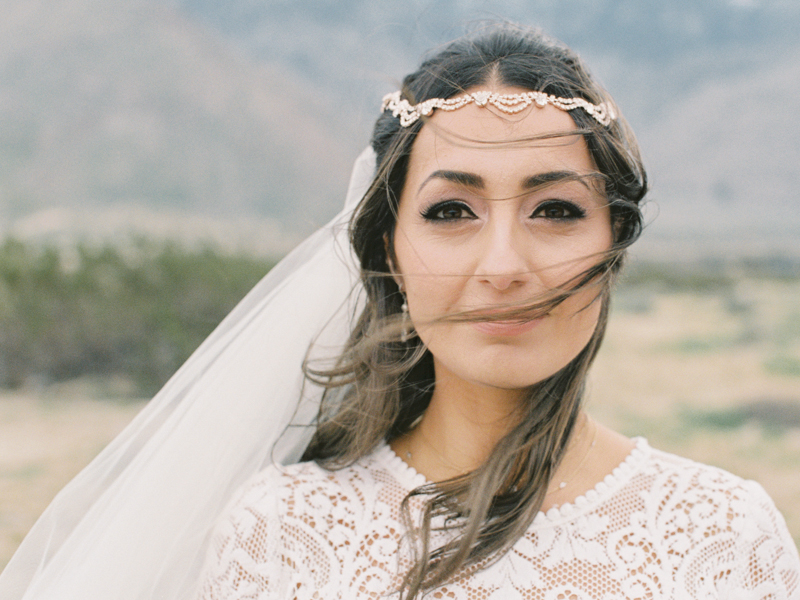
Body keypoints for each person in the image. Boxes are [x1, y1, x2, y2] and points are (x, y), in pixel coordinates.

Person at [2, 23, 798, 600]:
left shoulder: (721, 535)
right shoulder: (285, 533)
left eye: (555, 210)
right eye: (452, 212)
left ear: (614, 242)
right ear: (389, 250)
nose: (503, 266)